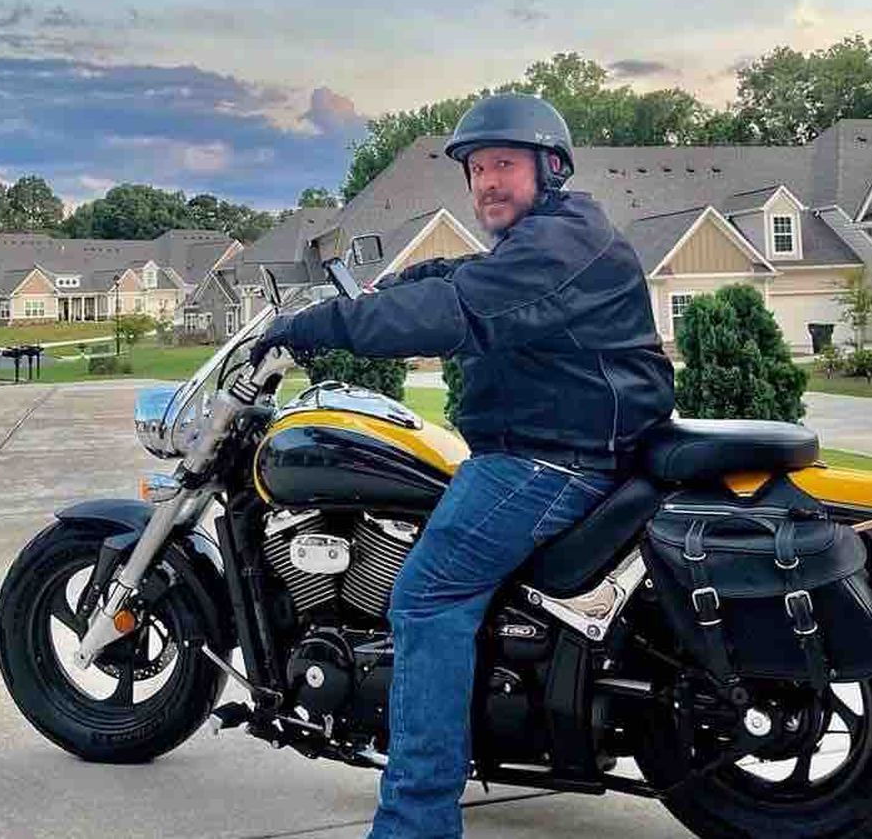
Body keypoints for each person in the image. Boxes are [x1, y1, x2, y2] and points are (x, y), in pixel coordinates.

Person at [250, 93, 674, 838]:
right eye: (477, 169)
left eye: (503, 164)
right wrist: (394, 287)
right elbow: (459, 277)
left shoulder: (561, 241)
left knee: (425, 597)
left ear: (551, 167)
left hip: (550, 460)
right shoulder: (547, 241)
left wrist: (315, 326)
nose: (487, 182)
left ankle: (415, 823)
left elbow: (459, 308)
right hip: (555, 447)